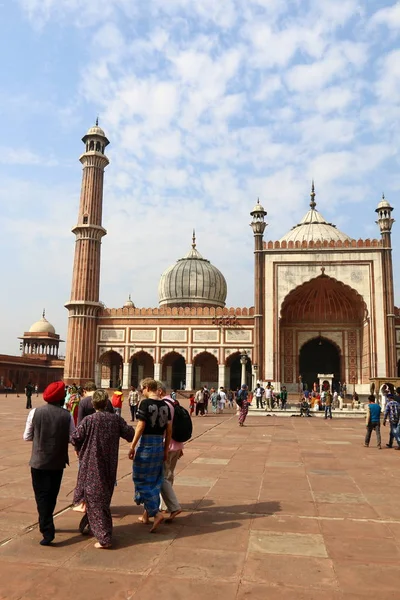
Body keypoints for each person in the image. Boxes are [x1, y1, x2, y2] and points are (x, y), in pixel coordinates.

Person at [71, 389, 134, 548]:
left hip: (91, 463)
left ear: (93, 404)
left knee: (95, 497)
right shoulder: (115, 420)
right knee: (103, 496)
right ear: (107, 403)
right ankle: (93, 525)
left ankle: (104, 538)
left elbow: (75, 437)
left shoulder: (89, 420)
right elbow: (130, 433)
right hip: (110, 462)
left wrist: (78, 448)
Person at [23, 381, 75, 545]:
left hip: (38, 461)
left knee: (41, 495)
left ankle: (47, 529)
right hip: (57, 461)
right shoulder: (66, 415)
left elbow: (27, 436)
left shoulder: (35, 412)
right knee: (52, 495)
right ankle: (47, 522)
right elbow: (72, 437)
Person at [129, 378, 172, 532]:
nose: (142, 392)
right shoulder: (165, 405)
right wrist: (166, 450)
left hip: (146, 445)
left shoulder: (145, 403)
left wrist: (133, 445)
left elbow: (141, 425)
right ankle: (146, 515)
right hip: (159, 446)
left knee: (140, 478)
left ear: (147, 388)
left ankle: (156, 513)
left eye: (142, 389)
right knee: (154, 480)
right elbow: (169, 430)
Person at [157, 382, 182, 521]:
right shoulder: (174, 402)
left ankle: (172, 506)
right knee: (169, 475)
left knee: (162, 477)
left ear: (160, 391)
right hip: (177, 444)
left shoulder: (163, 405)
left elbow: (167, 428)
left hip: (167, 445)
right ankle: (165, 504)